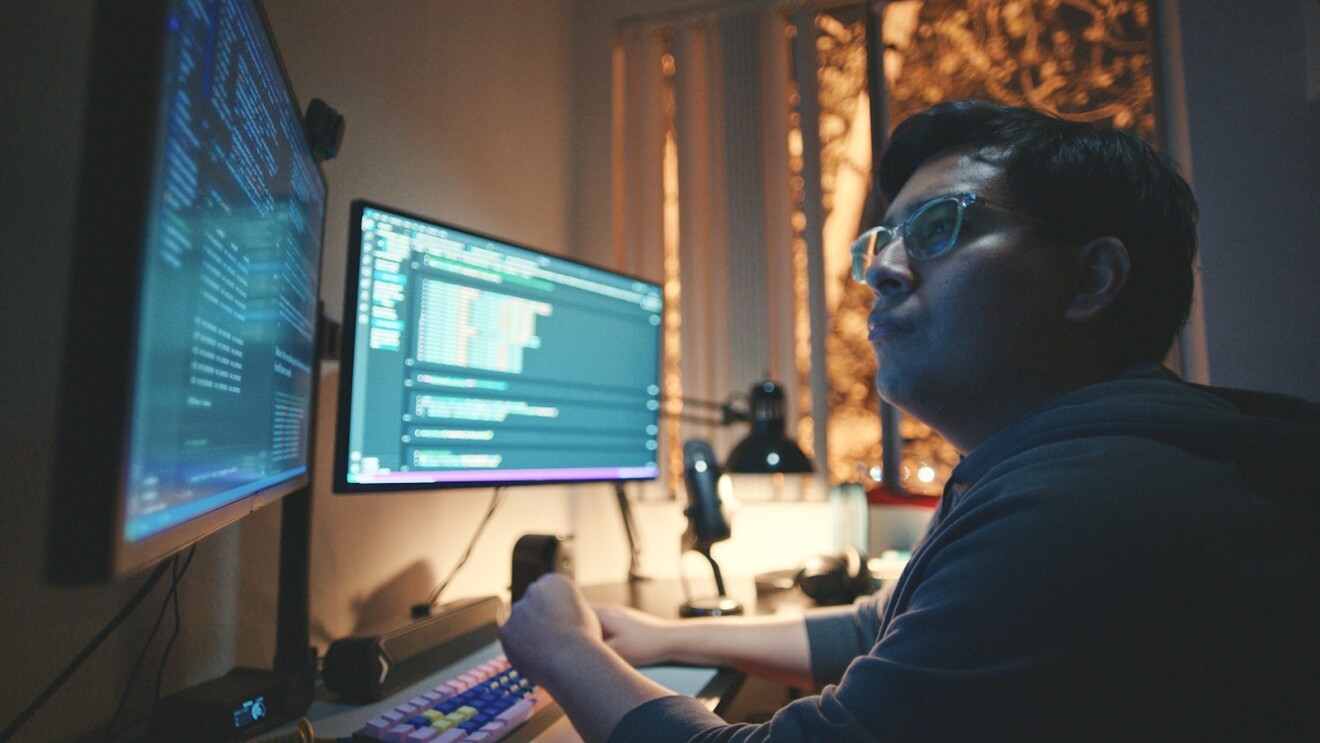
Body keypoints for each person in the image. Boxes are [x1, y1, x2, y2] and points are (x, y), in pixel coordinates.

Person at [498, 99, 1320, 742]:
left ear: (1092, 278)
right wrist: (655, 635)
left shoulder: (1091, 506)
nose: (883, 270)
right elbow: (878, 625)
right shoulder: (1071, 459)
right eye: (882, 240)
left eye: (938, 228)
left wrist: (563, 651)